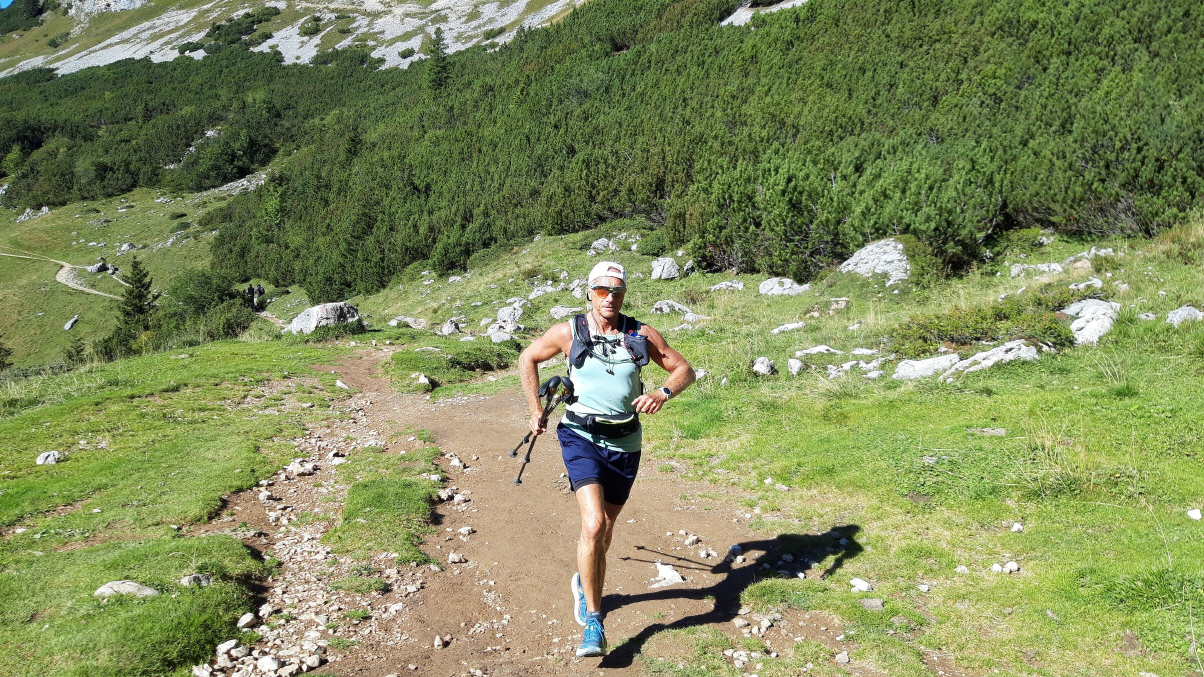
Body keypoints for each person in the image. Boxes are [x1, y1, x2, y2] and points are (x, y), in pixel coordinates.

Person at [518, 260, 695, 658]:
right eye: (601, 290)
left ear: (624, 295)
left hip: (626, 441)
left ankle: (585, 582)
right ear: (589, 293)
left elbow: (684, 369)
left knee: (606, 528)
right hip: (580, 436)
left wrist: (663, 393)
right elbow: (528, 358)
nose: (609, 298)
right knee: (594, 524)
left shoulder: (640, 334)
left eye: (616, 291)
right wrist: (535, 409)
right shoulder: (569, 331)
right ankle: (594, 622)